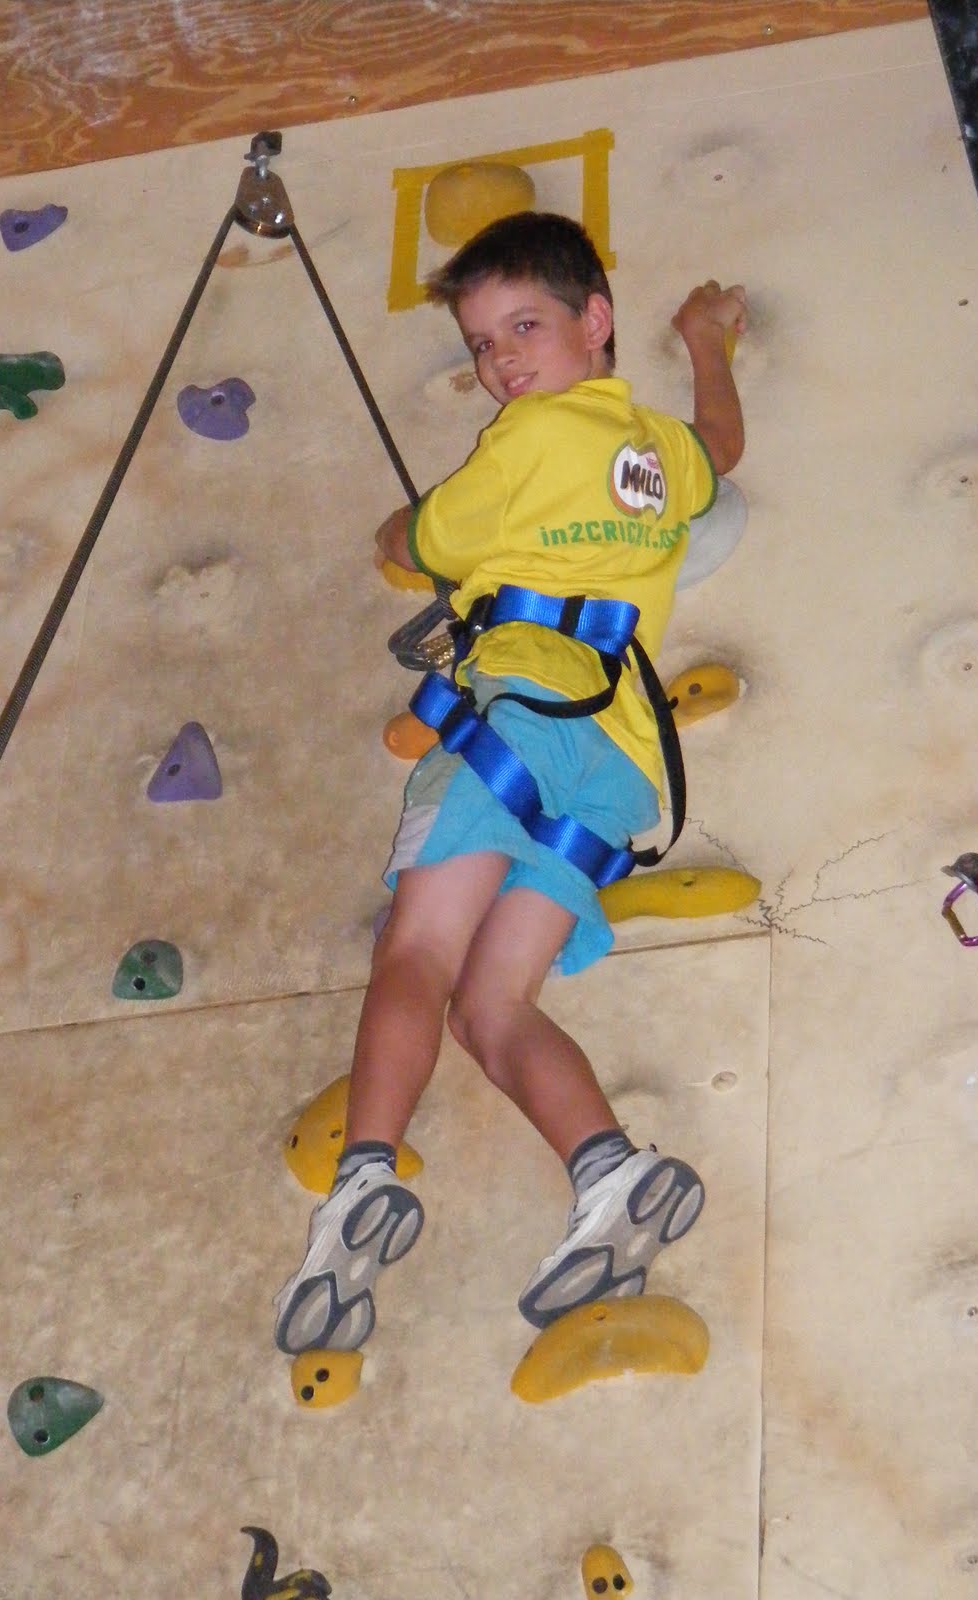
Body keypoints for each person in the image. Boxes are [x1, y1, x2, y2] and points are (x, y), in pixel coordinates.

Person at [274, 211, 746, 1356]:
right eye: (484, 346)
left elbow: (411, 542)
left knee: (417, 955)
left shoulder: (519, 444)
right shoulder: (652, 456)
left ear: (594, 322)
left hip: (517, 725)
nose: (503, 364)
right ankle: (607, 1171)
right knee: (495, 1006)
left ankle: (365, 1176)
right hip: (618, 764)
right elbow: (721, 449)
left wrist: (402, 527)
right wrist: (710, 341)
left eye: (522, 327)